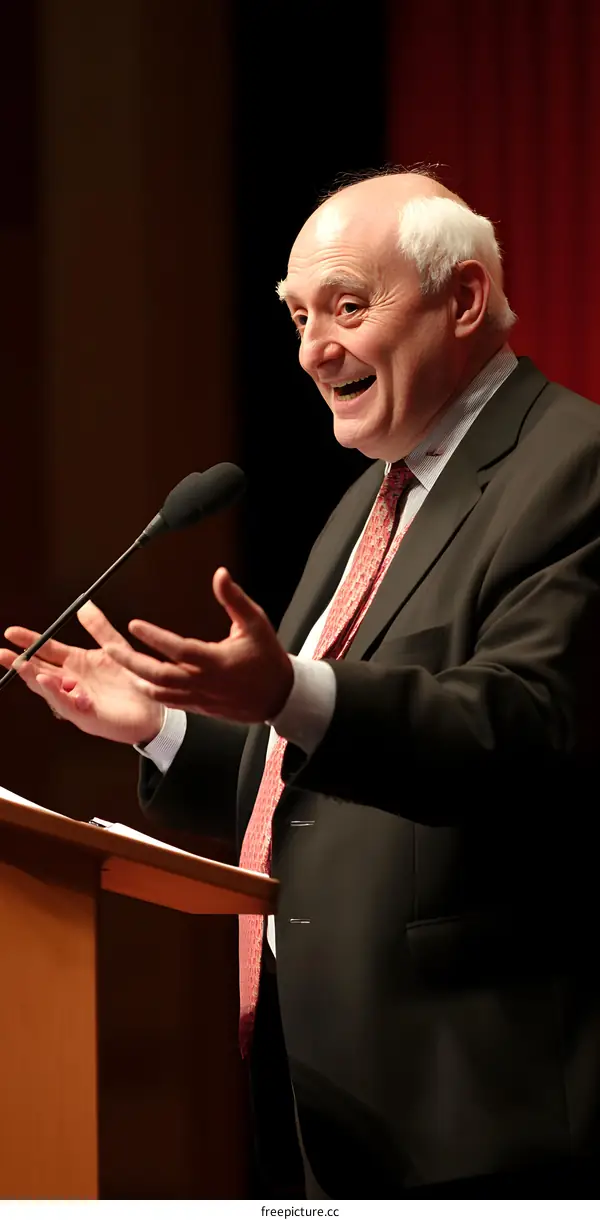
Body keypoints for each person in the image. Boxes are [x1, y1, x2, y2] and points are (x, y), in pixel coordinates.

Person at [3, 170, 600, 1200]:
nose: (312, 348)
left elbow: (520, 729)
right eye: (298, 314)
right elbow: (317, 781)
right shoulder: (369, 501)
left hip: (483, 1107)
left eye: (347, 307)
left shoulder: (575, 465)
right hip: (325, 1101)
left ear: (461, 300)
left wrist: (290, 692)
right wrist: (161, 728)